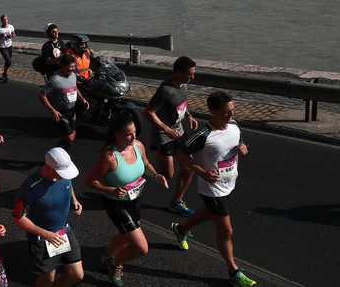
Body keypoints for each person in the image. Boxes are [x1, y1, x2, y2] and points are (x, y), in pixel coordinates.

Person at [172, 91, 256, 287]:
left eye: (233, 110)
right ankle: (233, 271)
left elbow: (240, 141)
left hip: (230, 183)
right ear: (213, 111)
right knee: (226, 230)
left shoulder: (234, 126)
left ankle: (181, 229)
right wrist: (201, 172)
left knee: (210, 213)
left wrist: (243, 147)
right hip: (213, 188)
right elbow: (181, 155)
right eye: (227, 112)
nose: (231, 115)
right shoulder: (203, 135)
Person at [84, 114, 169, 286]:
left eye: (135, 132)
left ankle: (104, 260)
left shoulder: (137, 146)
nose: (134, 137)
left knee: (124, 236)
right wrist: (111, 190)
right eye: (128, 134)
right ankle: (114, 264)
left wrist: (156, 175)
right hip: (117, 204)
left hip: (135, 200)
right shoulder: (109, 157)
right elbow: (89, 181)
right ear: (116, 134)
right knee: (141, 248)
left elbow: (145, 164)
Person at [12, 147, 83, 287]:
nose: (65, 175)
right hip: (42, 240)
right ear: (49, 167)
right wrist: (46, 234)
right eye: (62, 172)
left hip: (64, 231)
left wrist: (74, 200)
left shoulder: (63, 176)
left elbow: (68, 183)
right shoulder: (30, 186)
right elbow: (17, 217)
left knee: (77, 275)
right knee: (47, 279)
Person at [144, 56, 199, 217]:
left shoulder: (183, 85)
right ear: (179, 72)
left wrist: (189, 116)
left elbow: (181, 104)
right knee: (168, 174)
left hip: (179, 131)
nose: (193, 77)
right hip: (164, 135)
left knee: (189, 167)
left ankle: (176, 202)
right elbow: (148, 112)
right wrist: (166, 129)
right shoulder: (165, 90)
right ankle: (136, 172)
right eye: (190, 74)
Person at [38, 54, 89, 149]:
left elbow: (75, 89)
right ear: (63, 66)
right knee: (69, 138)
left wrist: (82, 100)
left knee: (72, 136)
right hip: (61, 112)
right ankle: (54, 155)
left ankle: (59, 155)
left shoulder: (73, 75)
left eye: (74, 66)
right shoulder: (55, 80)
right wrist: (53, 111)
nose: (73, 69)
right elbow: (42, 95)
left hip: (71, 110)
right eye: (71, 67)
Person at [0, 14, 15, 83]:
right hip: (2, 47)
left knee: (8, 62)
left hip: (9, 46)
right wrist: (0, 35)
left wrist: (12, 35)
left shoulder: (11, 26)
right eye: (4, 20)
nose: (5, 21)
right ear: (1, 21)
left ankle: (4, 74)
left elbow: (13, 34)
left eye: (6, 19)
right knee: (8, 61)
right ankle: (4, 74)